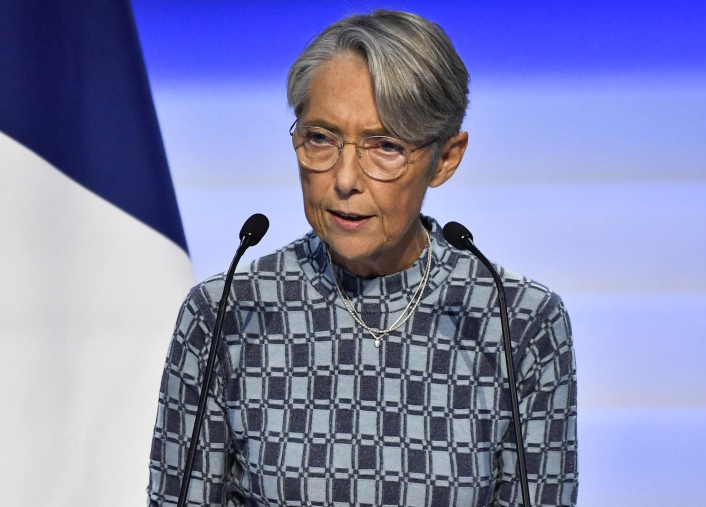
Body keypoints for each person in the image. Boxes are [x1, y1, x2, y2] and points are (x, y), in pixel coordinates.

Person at [148, 9, 577, 507]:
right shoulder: (227, 311)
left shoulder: (518, 320)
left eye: (385, 147)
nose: (345, 178)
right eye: (320, 139)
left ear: (446, 159)